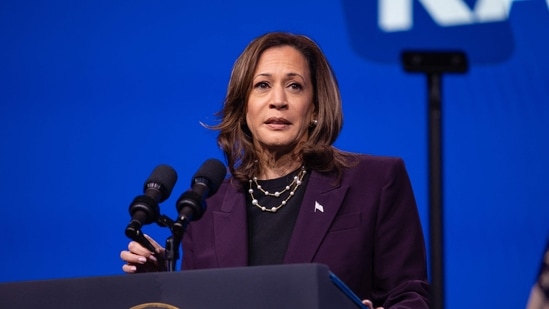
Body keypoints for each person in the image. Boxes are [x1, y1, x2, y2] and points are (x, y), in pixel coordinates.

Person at [121, 31, 430, 308]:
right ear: (243, 108)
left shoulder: (375, 181)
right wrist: (162, 283)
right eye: (262, 85)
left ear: (315, 109)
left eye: (294, 86)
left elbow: (411, 297)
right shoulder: (204, 208)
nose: (278, 101)